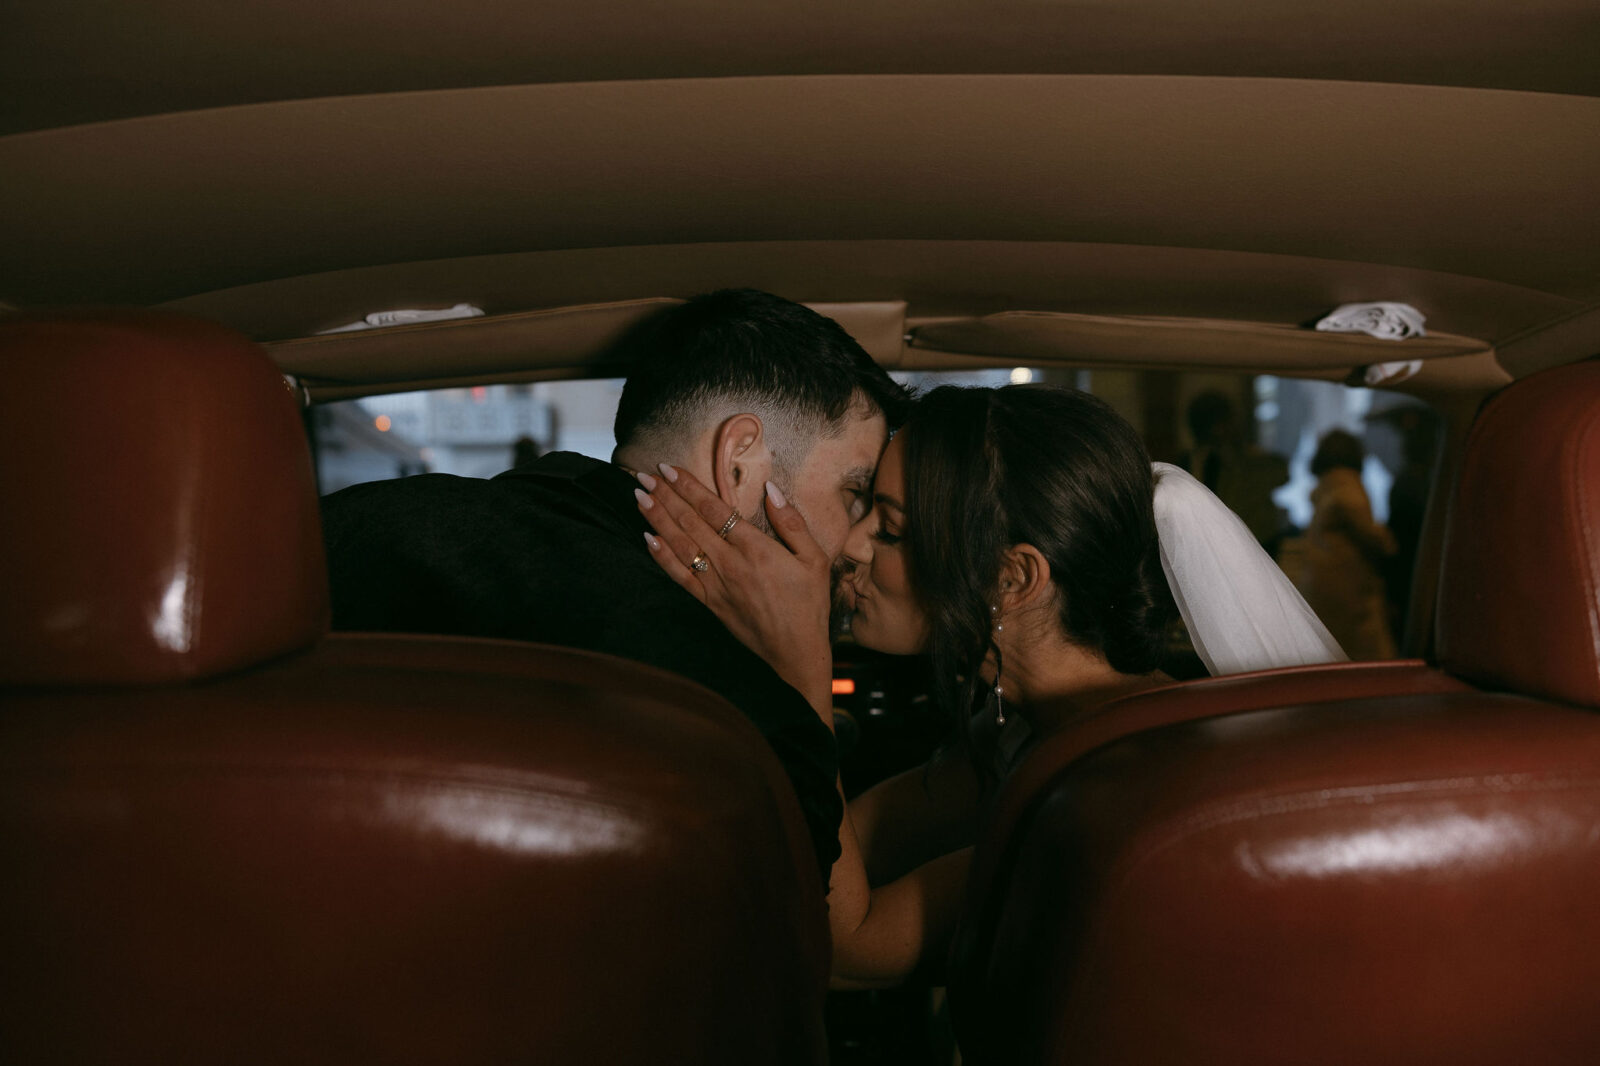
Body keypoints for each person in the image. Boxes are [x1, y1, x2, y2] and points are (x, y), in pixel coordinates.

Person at [635, 383, 1343, 986]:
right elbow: (850, 839)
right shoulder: (1024, 721)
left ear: (1013, 579)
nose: (849, 547)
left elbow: (849, 944)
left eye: (892, 531)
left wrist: (799, 668)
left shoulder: (1107, 783)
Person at [320, 289, 913, 881]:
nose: (857, 540)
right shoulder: (719, 693)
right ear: (739, 463)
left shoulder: (364, 522)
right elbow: (800, 894)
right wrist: (803, 663)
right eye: (853, 494)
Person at [1292, 429, 1398, 660]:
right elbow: (1370, 533)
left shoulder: (1326, 487)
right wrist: (1387, 539)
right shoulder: (1347, 485)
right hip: (1351, 591)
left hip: (1323, 587)